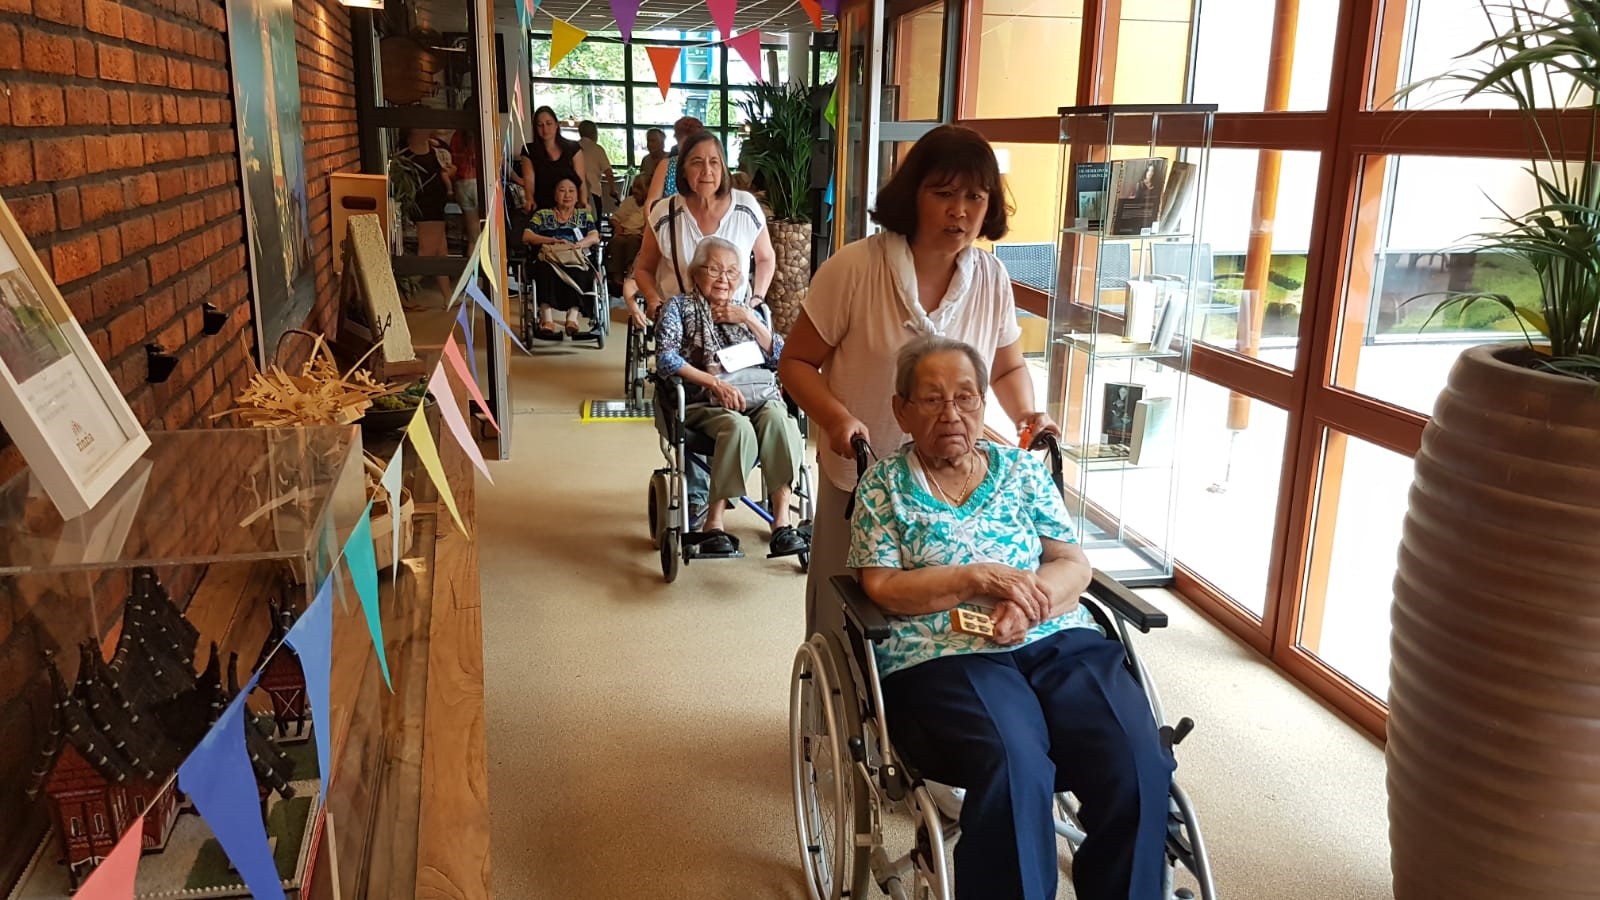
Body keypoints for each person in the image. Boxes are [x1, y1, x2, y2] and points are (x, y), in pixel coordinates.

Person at [848, 336, 1173, 900]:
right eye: (932, 399)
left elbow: (1072, 561)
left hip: (1057, 638)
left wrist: (1029, 601)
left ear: (983, 404)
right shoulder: (884, 485)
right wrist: (972, 579)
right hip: (944, 653)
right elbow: (881, 586)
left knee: (1136, 756)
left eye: (966, 398)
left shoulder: (1023, 470)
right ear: (901, 410)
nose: (951, 414)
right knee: (1014, 761)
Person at [778, 124, 1060, 640]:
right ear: (913, 194)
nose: (960, 212)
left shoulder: (991, 278)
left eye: (975, 197)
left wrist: (1026, 415)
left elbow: (1006, 368)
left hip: (954, 474)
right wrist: (838, 419)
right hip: (865, 472)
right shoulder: (855, 268)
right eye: (944, 194)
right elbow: (794, 362)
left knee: (948, 612)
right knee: (848, 609)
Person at [635, 131, 777, 523]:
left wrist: (753, 303)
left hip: (736, 323)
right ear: (682, 169)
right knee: (699, 398)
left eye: (714, 161)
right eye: (696, 162)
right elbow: (643, 269)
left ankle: (736, 493)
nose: (707, 170)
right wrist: (656, 302)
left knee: (762, 404)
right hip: (686, 322)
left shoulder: (745, 207)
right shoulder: (666, 212)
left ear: (724, 168)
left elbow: (766, 259)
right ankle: (701, 498)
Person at [657, 237, 807, 558]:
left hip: (757, 397)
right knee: (738, 428)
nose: (723, 279)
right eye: (714, 270)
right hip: (703, 401)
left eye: (732, 272)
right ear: (696, 273)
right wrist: (714, 383)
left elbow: (781, 359)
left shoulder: (747, 312)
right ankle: (714, 524)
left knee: (780, 420)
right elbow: (666, 359)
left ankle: (782, 523)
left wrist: (749, 319)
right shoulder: (678, 308)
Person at [521, 173, 599, 340]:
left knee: (582, 272)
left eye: (572, 191)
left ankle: (572, 319)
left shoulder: (584, 215)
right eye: (562, 190)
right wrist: (552, 241)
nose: (567, 195)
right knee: (544, 271)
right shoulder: (542, 215)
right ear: (555, 195)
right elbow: (527, 236)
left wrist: (578, 245)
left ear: (577, 196)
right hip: (549, 258)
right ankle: (547, 319)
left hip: (575, 257)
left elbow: (594, 236)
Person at [396, 127, 455, 306]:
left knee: (440, 251)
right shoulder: (407, 158)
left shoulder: (435, 149)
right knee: (427, 255)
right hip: (426, 208)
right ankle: (399, 294)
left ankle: (448, 296)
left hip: (437, 205)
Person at [519, 107, 588, 215]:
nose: (545, 129)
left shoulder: (573, 148)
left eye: (549, 123)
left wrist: (583, 202)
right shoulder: (528, 150)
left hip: (569, 210)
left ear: (556, 125)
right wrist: (530, 199)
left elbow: (581, 180)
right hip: (543, 210)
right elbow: (529, 180)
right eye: (540, 125)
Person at [609, 175, 649, 322]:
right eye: (635, 188)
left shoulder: (651, 204)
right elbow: (615, 218)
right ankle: (617, 277)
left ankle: (630, 273)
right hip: (625, 232)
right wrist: (617, 227)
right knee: (616, 242)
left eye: (640, 188)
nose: (636, 191)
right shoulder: (629, 201)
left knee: (633, 242)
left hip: (638, 235)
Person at [645, 116, 704, 211]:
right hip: (669, 219)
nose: (688, 150)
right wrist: (651, 220)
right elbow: (651, 203)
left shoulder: (707, 166)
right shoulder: (666, 165)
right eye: (684, 144)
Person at [450, 98, 482, 248]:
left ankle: (473, 262)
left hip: (461, 185)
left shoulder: (457, 135)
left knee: (473, 239)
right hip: (479, 183)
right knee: (488, 237)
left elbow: (452, 161)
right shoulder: (481, 133)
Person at [577, 120, 617, 214]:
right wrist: (612, 190)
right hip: (593, 193)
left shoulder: (572, 148)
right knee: (595, 221)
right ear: (594, 133)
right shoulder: (597, 149)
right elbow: (608, 172)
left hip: (575, 195)